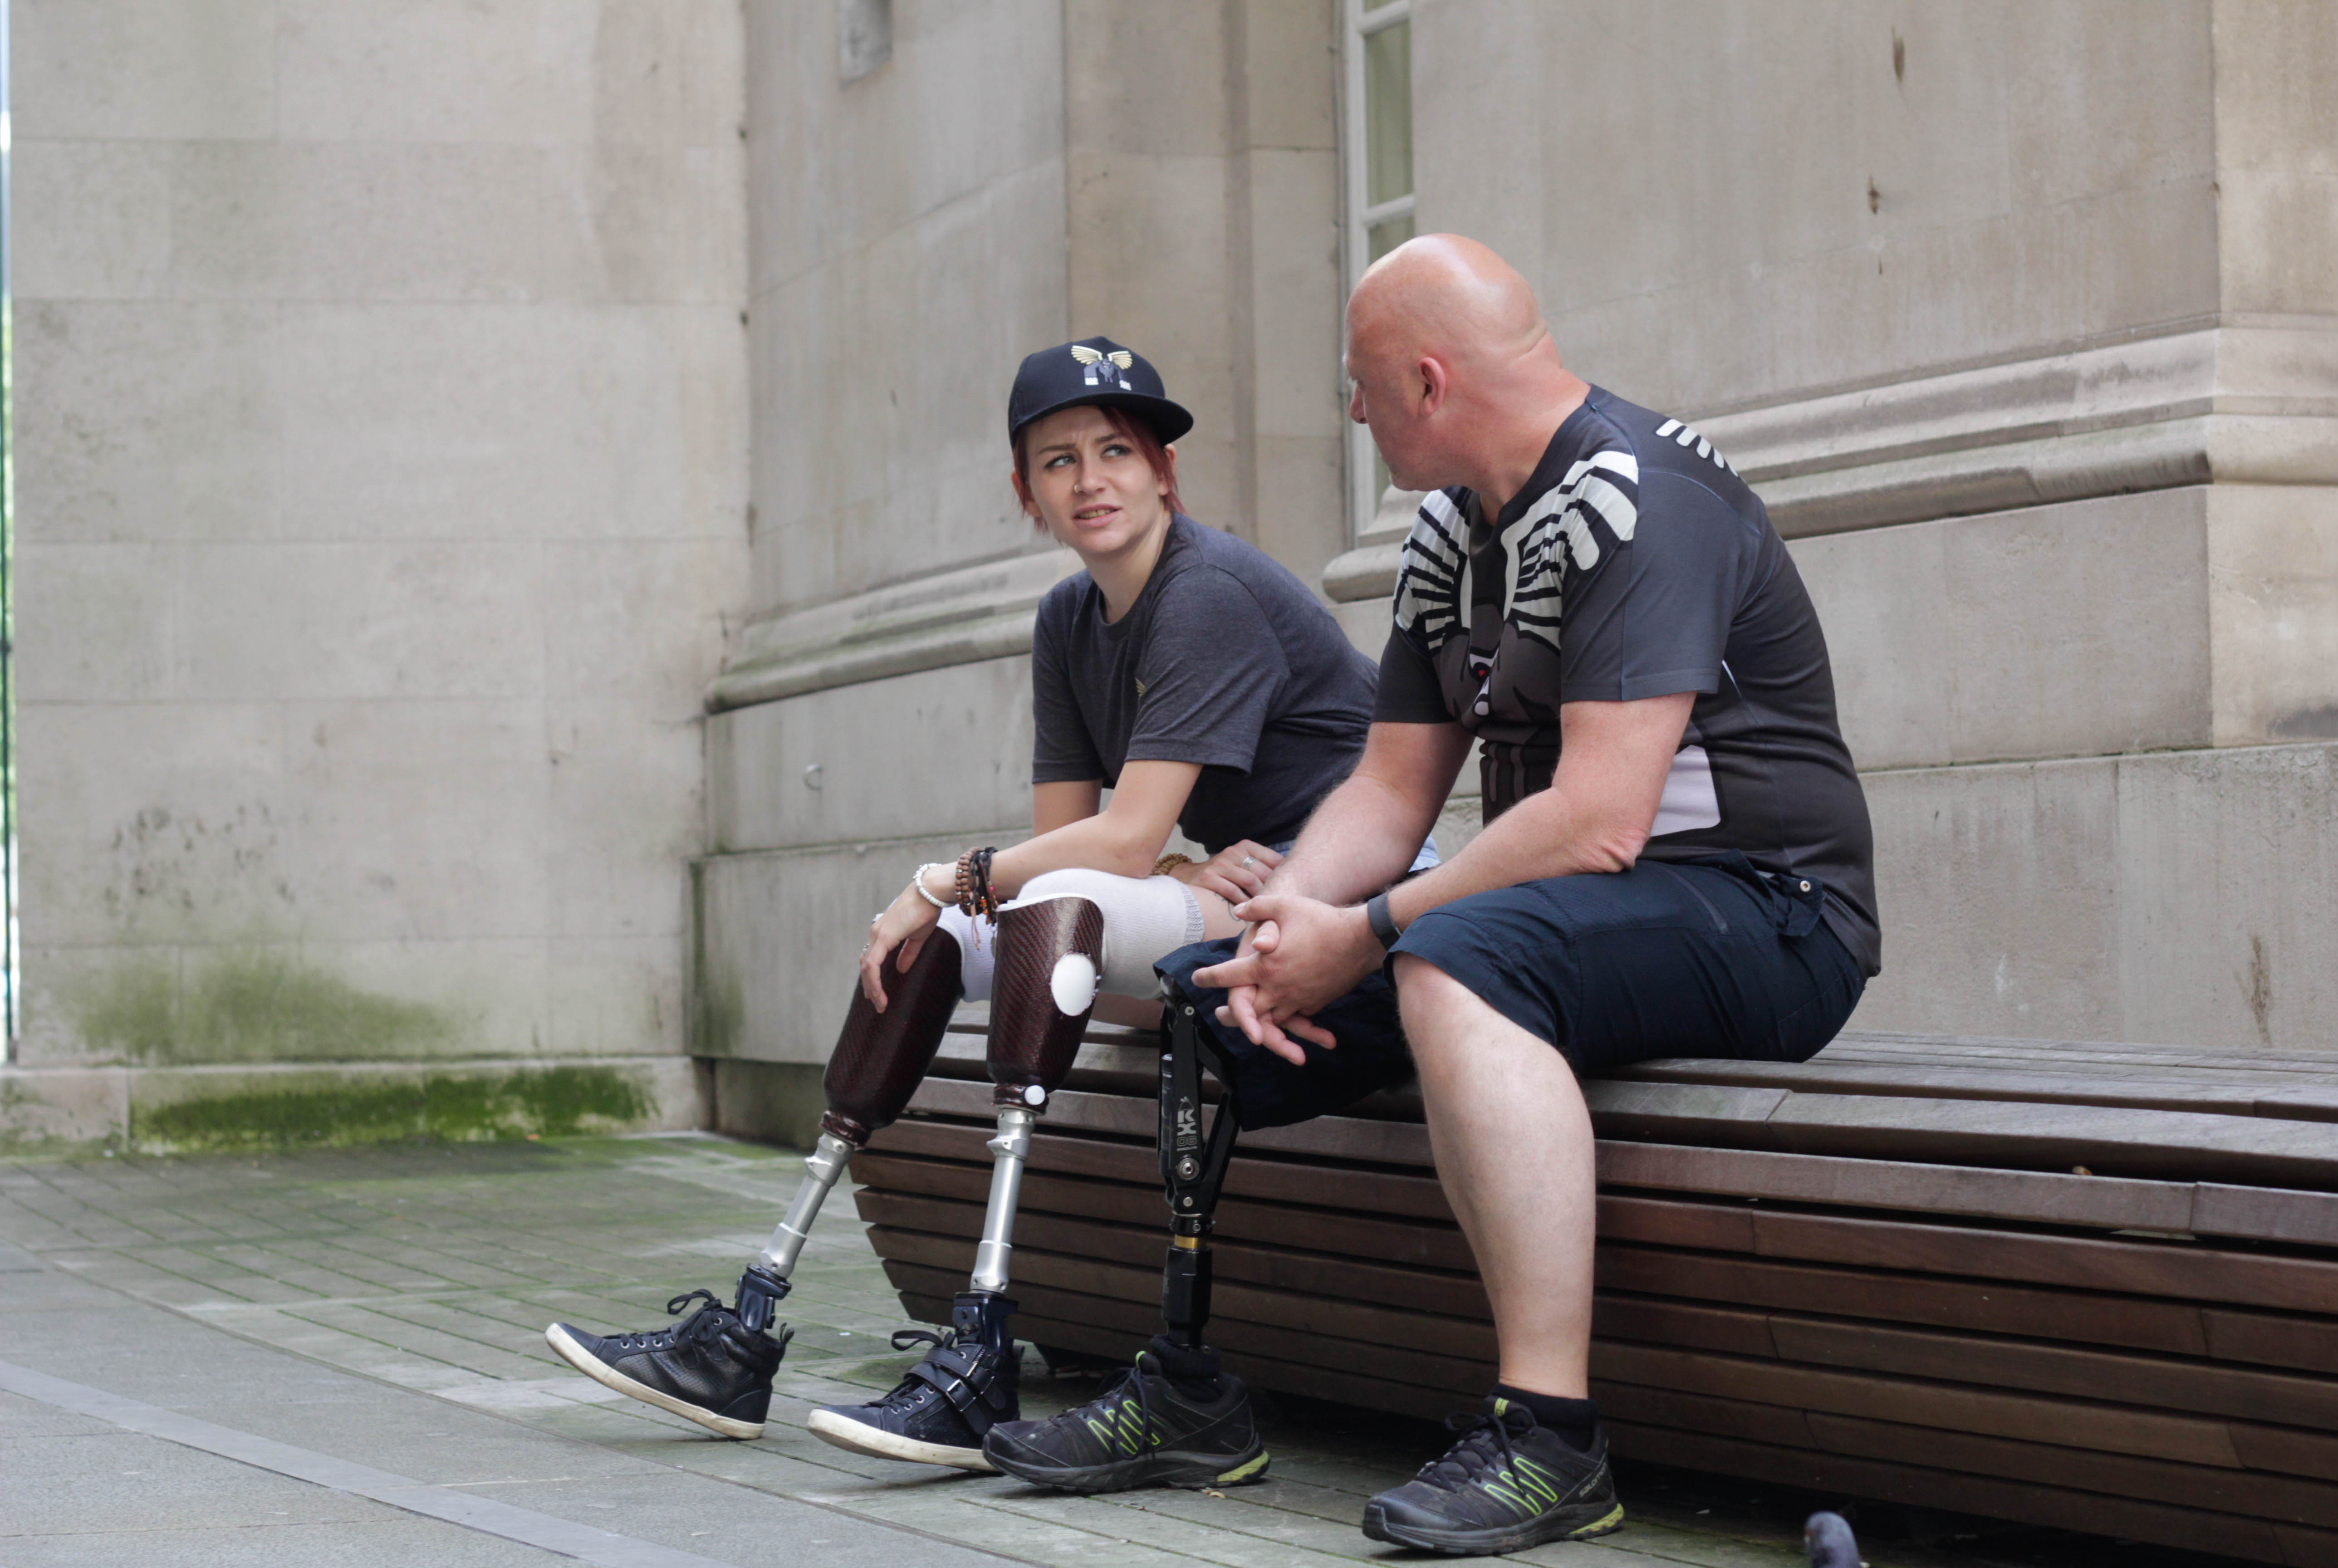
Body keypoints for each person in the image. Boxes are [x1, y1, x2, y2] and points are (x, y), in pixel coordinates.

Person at [978, 238, 1878, 1558]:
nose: (1350, 411)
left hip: (1769, 911)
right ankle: (1187, 1387)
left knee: (1451, 962)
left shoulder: (1641, 496)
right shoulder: (1457, 530)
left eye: (1359, 384)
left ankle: (1550, 1439)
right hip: (1584, 915)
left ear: (1428, 381)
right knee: (1204, 994)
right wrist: (1291, 914)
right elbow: (1392, 789)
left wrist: (1377, 929)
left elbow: (1599, 817)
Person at [546, 337, 1424, 1476]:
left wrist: (946, 877)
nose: (1091, 479)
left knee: (1003, 905)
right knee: (943, 939)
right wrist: (1137, 879)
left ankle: (981, 1349)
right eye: (1058, 461)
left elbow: (1102, 844)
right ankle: (748, 1323)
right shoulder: (1069, 620)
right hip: (1224, 886)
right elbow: (1077, 837)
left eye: (1118, 451)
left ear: (1165, 472)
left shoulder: (1205, 591)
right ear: (1027, 495)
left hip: (1338, 893)